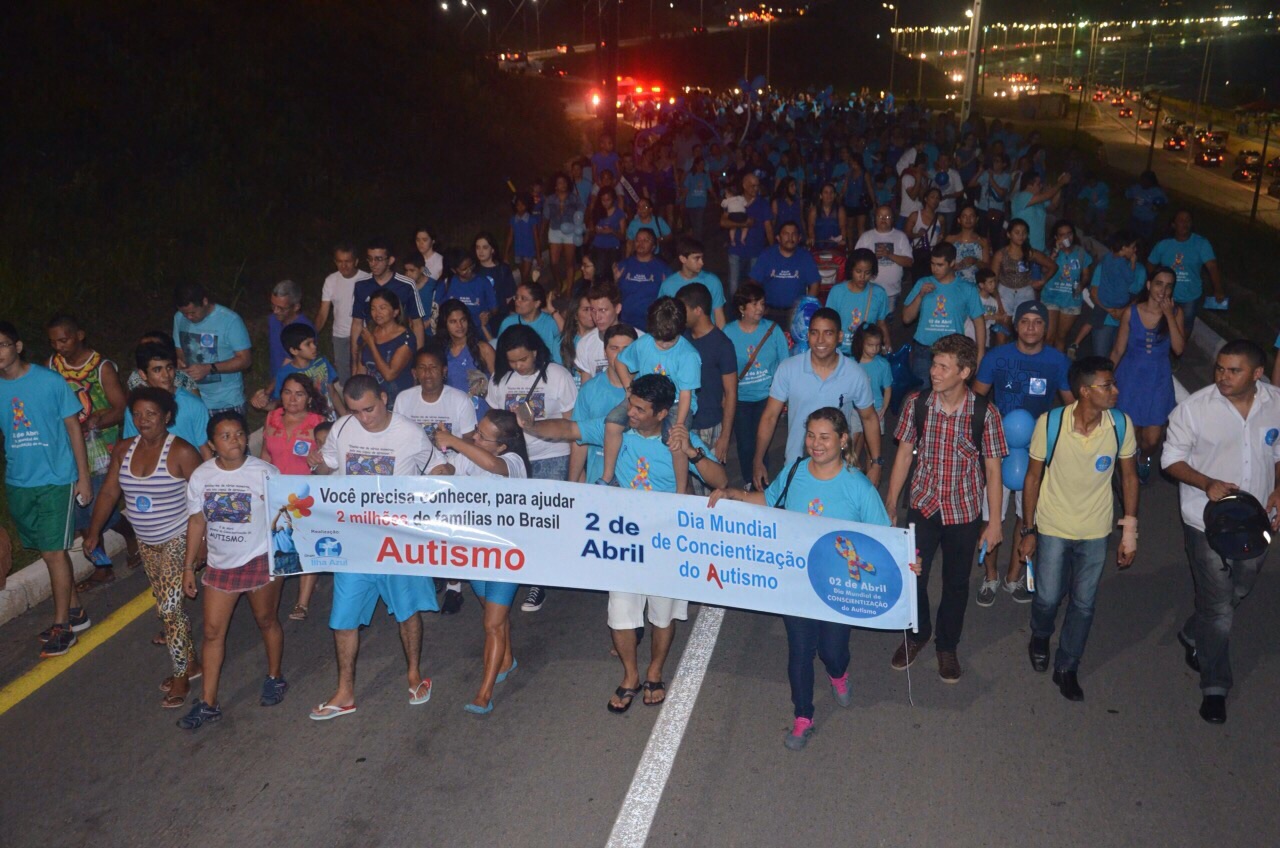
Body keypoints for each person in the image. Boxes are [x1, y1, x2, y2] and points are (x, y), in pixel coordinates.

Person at [709, 408, 893, 750]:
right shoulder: (795, 470)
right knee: (799, 652)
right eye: (811, 435)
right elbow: (769, 499)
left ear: (842, 440)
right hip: (797, 582)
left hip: (839, 588)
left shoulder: (858, 486)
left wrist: (906, 563)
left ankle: (839, 674)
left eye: (824, 437)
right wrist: (734, 494)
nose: (815, 444)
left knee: (833, 650)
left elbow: (882, 538)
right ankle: (803, 715)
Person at [308, 375, 452, 720]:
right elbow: (328, 464)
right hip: (354, 541)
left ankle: (415, 674)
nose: (364, 418)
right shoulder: (342, 428)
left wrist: (446, 472)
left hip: (396, 542)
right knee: (343, 619)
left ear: (384, 399)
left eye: (369, 409)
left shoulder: (409, 432)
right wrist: (316, 467)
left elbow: (437, 467)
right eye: (356, 411)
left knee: (406, 611)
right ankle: (344, 692)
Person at [1162, 340, 1280, 725]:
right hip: (1205, 521)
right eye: (1219, 369)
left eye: (1234, 371)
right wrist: (1206, 481)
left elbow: (1277, 453)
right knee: (1218, 608)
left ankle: (1193, 632)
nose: (1222, 377)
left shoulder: (1275, 403)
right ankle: (1215, 686)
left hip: (1255, 518)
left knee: (1240, 587)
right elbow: (1171, 460)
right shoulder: (1194, 410)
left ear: (1257, 374)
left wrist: (1277, 490)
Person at [884, 334, 1007, 682]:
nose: (933, 371)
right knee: (914, 575)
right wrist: (891, 503)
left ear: (964, 372)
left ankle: (946, 646)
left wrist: (994, 522)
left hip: (963, 513)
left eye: (942, 366)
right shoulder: (917, 404)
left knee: (956, 583)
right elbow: (905, 454)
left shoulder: (985, 413)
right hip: (923, 505)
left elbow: (994, 470)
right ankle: (918, 635)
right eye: (933, 364)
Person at [1021, 357, 1139, 701]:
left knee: (1084, 604)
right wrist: (1029, 530)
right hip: (1054, 524)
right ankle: (1040, 635)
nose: (1115, 391)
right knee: (1046, 597)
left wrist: (1129, 531)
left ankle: (1067, 666)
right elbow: (1032, 476)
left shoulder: (1119, 424)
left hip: (1096, 528)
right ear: (1084, 391)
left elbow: (1129, 476)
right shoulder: (1051, 423)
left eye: (1113, 384)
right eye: (1107, 386)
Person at [84, 387, 203, 707]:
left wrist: (202, 545)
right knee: (170, 606)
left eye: (151, 414)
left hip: (179, 539)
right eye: (136, 414)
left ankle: (181, 677)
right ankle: (191, 662)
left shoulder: (181, 452)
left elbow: (204, 500)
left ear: (167, 416)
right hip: (149, 545)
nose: (143, 420)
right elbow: (109, 492)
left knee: (169, 608)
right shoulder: (123, 449)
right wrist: (94, 530)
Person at [177, 411, 286, 729]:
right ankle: (208, 703)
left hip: (259, 559)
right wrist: (188, 567)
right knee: (212, 633)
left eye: (239, 433)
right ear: (212, 444)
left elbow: (285, 514)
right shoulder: (201, 476)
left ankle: (275, 677)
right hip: (220, 565)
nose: (235, 440)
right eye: (225, 436)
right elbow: (197, 521)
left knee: (266, 621)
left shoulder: (265, 472)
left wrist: (282, 559)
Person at [0, 321, 94, 658]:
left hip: (56, 478)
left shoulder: (49, 382)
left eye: (3, 345)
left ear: (18, 346)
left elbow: (73, 429)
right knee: (46, 549)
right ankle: (76, 613)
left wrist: (82, 477)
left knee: (55, 551)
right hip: (19, 482)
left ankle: (62, 627)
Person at [972, 301, 1074, 606]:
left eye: (1037, 322)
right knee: (992, 515)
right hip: (997, 447)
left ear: (1046, 327)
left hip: (1036, 450)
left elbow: (1072, 406)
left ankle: (1013, 577)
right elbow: (976, 399)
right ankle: (990, 576)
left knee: (1026, 516)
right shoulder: (996, 357)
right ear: (1016, 325)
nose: (1031, 327)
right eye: (1025, 321)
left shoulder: (1057, 362)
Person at [432, 411, 529, 713]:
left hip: (505, 554)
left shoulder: (512, 463)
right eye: (476, 431)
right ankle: (508, 659)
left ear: (502, 446)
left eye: (482, 436)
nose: (474, 437)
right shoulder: (469, 454)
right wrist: (443, 467)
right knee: (494, 616)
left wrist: (453, 441)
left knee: (491, 624)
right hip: (473, 553)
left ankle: (484, 694)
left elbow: (490, 465)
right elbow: (452, 471)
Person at [487, 326, 578, 613]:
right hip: (516, 459)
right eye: (512, 361)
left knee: (543, 520)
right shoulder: (501, 379)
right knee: (520, 519)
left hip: (552, 454)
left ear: (536, 352)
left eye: (523, 360)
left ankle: (539, 581)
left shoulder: (557, 376)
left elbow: (571, 422)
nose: (518, 366)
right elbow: (493, 417)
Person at [753, 308, 882, 491]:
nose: (820, 340)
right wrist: (758, 460)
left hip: (838, 470)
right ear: (808, 335)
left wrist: (876, 463)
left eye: (828, 333)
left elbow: (869, 418)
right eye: (814, 333)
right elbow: (770, 416)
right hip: (796, 468)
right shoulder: (788, 369)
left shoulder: (855, 374)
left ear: (839, 336)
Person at [392, 344, 479, 616]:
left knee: (449, 532)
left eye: (433, 367)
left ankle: (455, 588)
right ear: (415, 373)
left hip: (449, 473)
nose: (428, 373)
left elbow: (468, 441)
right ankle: (433, 575)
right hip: (416, 475)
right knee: (422, 532)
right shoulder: (405, 399)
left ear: (443, 371)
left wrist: (447, 465)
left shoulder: (459, 400)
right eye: (422, 368)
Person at [46, 314, 132, 583]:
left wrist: (96, 420)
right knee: (82, 508)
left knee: (95, 506)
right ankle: (103, 565)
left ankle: (127, 537)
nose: (59, 346)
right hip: (67, 447)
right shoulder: (51, 366)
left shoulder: (101, 367)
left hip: (99, 449)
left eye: (64, 339)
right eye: (54, 342)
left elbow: (121, 408)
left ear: (80, 335)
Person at [600, 297, 701, 486]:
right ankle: (607, 475)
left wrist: (679, 424)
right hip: (643, 397)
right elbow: (620, 362)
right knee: (612, 423)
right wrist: (629, 389)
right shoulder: (644, 342)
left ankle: (681, 489)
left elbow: (686, 394)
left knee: (676, 441)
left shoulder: (688, 355)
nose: (663, 345)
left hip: (676, 402)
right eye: (659, 339)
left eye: (669, 341)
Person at [1110, 267, 1185, 483]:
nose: (1163, 289)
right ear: (1149, 285)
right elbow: (1117, 350)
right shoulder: (1131, 312)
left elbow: (1179, 349)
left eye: (1169, 286)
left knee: (1152, 439)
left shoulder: (1175, 313)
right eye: (1159, 283)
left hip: (1158, 380)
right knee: (1130, 435)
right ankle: (1128, 473)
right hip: (1131, 378)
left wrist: (1169, 315)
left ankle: (1144, 458)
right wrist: (1105, 378)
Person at [724, 283, 790, 487]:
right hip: (741, 398)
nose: (760, 308)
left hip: (767, 398)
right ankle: (747, 479)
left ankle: (761, 481)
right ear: (742, 308)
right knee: (745, 444)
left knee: (762, 442)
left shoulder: (773, 330)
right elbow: (724, 368)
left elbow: (784, 363)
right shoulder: (729, 332)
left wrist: (784, 395)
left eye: (761, 303)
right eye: (754, 304)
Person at [903, 243, 989, 386]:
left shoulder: (967, 288)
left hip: (953, 352)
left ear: (952, 263)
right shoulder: (923, 283)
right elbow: (906, 318)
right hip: (924, 349)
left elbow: (979, 322)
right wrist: (920, 295)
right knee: (923, 394)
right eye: (932, 264)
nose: (934, 269)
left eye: (940, 265)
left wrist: (980, 354)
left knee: (951, 392)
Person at [677, 283, 737, 488]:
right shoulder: (682, 339)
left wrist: (724, 437)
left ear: (698, 310)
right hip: (682, 423)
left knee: (708, 488)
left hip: (709, 427)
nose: (678, 314)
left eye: (682, 309)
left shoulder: (722, 344)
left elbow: (730, 393)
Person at [173, 282, 252, 415]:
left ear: (204, 301)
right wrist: (181, 362)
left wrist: (209, 368)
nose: (189, 317)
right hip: (193, 398)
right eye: (184, 313)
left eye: (193, 312)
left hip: (226, 400)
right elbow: (179, 347)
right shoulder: (179, 317)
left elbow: (245, 360)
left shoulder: (230, 320)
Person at [124, 341, 212, 461]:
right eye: (157, 370)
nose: (166, 375)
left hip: (189, 473)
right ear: (143, 374)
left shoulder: (194, 404)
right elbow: (131, 447)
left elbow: (205, 450)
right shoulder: (136, 409)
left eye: (169, 368)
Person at [571, 324, 637, 485]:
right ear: (604, 352)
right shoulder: (589, 390)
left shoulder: (647, 389)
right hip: (599, 482)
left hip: (637, 484)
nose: (621, 355)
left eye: (627, 349)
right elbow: (579, 440)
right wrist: (571, 486)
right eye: (614, 348)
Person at [1147, 210, 1223, 340]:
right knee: (1161, 324)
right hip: (1166, 294)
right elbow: (1150, 264)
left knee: (1186, 325)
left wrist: (1218, 289)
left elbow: (1212, 267)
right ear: (1173, 225)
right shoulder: (1164, 245)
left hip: (1190, 296)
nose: (1185, 223)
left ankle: (1179, 348)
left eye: (1188, 220)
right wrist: (1153, 284)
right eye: (1181, 220)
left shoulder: (1201, 244)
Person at [350, 239, 425, 366]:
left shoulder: (406, 285)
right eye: (370, 259)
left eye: (378, 259)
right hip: (371, 346)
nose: (373, 264)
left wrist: (418, 362)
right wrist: (354, 360)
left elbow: (417, 324)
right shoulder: (361, 285)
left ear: (390, 260)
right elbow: (357, 324)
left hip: (399, 348)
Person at [251, 323, 344, 418]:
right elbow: (282, 404)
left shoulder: (321, 362)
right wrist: (263, 404)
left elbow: (332, 392)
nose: (314, 347)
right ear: (294, 351)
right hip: (306, 425)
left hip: (328, 417)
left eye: (314, 342)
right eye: (308, 344)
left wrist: (345, 416)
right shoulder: (284, 374)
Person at [314, 243, 369, 387]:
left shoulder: (366, 279)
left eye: (348, 261)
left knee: (362, 372)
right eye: (340, 261)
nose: (344, 266)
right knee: (343, 373)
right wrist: (312, 334)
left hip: (363, 334)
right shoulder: (331, 280)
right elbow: (323, 311)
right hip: (339, 335)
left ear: (356, 261)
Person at [748, 221, 821, 326]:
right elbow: (753, 281)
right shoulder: (767, 255)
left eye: (794, 234)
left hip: (796, 313)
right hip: (769, 312)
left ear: (799, 238)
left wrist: (805, 307)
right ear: (778, 237)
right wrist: (759, 305)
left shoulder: (805, 257)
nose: (790, 238)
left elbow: (815, 284)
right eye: (786, 234)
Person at [355, 289, 416, 407]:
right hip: (373, 401)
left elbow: (389, 375)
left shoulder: (406, 338)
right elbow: (360, 369)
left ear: (395, 312)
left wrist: (372, 344)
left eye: (382, 308)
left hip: (398, 402)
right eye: (373, 308)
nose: (377, 313)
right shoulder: (368, 332)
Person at [825, 248, 891, 354]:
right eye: (858, 271)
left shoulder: (879, 293)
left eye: (867, 273)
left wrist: (887, 345)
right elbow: (828, 323)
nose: (862, 277)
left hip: (866, 354)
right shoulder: (837, 292)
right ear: (851, 270)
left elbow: (881, 323)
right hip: (841, 353)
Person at [439, 298, 496, 419]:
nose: (459, 326)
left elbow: (498, 386)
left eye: (463, 320)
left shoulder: (483, 349)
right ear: (445, 324)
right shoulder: (441, 352)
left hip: (482, 417)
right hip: (454, 416)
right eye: (453, 321)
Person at [1041, 220, 1094, 350]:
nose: (1066, 237)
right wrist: (1054, 253)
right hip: (1051, 296)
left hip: (1071, 299)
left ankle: (1059, 366)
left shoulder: (1081, 253)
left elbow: (1086, 274)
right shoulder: (1050, 253)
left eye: (1069, 234)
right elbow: (1044, 271)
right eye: (1062, 235)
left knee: (1061, 337)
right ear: (1056, 237)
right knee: (1048, 337)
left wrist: (1082, 284)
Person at [990, 218, 1054, 318]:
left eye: (1024, 233)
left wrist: (1043, 281)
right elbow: (992, 281)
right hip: (1004, 292)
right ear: (1009, 234)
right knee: (1003, 325)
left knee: (1024, 324)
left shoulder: (1030, 253)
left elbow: (1053, 266)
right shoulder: (1000, 255)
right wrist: (998, 303)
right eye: (1017, 232)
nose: (1021, 236)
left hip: (1025, 292)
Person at [658, 237, 727, 328]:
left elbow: (719, 316)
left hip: (706, 335)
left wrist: (721, 339)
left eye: (702, 258)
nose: (701, 262)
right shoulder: (668, 285)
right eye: (696, 258)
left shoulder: (712, 281)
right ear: (683, 259)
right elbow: (663, 316)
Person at [853, 205, 912, 311]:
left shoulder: (901, 236)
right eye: (880, 216)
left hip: (892, 292)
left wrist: (889, 255)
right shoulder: (866, 237)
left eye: (887, 217)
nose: (883, 219)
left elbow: (909, 262)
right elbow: (855, 261)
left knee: (888, 323)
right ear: (874, 219)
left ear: (893, 219)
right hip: (869, 290)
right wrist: (872, 257)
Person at [492, 281, 564, 365]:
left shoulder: (551, 322)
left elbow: (567, 338)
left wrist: (552, 311)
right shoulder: (508, 322)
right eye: (516, 297)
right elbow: (501, 351)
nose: (517, 302)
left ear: (537, 303)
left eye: (523, 298)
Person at [723, 173, 771, 297]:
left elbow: (768, 227)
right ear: (744, 185)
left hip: (756, 250)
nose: (755, 189)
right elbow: (723, 222)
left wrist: (773, 248)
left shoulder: (763, 204)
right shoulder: (735, 201)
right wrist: (744, 224)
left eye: (757, 186)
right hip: (736, 250)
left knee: (754, 287)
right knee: (734, 286)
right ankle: (734, 313)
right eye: (752, 186)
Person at [613, 228, 667, 330]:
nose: (640, 243)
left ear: (654, 246)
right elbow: (613, 294)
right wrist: (615, 280)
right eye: (638, 240)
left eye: (646, 240)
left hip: (651, 325)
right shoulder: (623, 265)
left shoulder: (662, 268)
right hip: (625, 323)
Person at [266, 279, 315, 386]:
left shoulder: (303, 328)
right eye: (273, 306)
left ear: (296, 307)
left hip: (295, 385)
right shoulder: (273, 320)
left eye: (281, 308)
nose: (275, 311)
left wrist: (268, 391)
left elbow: (289, 365)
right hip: (276, 380)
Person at [434, 250, 498, 332]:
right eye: (464, 269)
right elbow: (438, 308)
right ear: (454, 270)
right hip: (455, 333)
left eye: (471, 266)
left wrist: (487, 315)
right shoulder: (447, 283)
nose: (469, 270)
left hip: (478, 331)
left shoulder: (483, 282)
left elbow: (494, 308)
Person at [1010, 172, 1069, 254]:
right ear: (1030, 185)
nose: (1041, 186)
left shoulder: (1039, 200)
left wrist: (1060, 186)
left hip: (1040, 248)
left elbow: (1053, 206)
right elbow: (1047, 195)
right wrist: (1060, 183)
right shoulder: (1021, 196)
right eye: (1038, 184)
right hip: (1023, 248)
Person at [543, 173, 584, 293]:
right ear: (555, 186)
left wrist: (582, 229)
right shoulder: (550, 199)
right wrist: (541, 233)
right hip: (554, 230)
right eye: (560, 183)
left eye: (565, 182)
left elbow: (581, 213)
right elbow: (546, 217)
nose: (563, 185)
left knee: (569, 262)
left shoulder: (574, 198)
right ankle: (558, 282)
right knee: (554, 262)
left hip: (570, 232)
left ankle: (569, 289)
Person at [473, 232, 519, 336]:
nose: (480, 251)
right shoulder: (473, 270)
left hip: (498, 317)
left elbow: (509, 296)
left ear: (492, 250)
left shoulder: (502, 269)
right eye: (478, 247)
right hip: (478, 318)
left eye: (485, 247)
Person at [588, 187, 628, 274]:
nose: (605, 203)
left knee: (612, 273)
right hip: (598, 247)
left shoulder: (619, 214)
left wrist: (612, 231)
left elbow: (623, 236)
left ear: (613, 199)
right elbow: (590, 232)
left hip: (613, 248)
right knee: (598, 272)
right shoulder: (597, 212)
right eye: (603, 200)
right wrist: (595, 231)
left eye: (608, 200)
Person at [505, 192, 540, 288]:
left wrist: (538, 255)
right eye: (518, 205)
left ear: (527, 206)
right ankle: (528, 290)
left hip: (529, 251)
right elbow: (510, 236)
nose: (520, 207)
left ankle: (523, 292)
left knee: (525, 276)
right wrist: (506, 253)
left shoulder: (531, 219)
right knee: (523, 275)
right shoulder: (513, 220)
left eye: (523, 205)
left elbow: (536, 238)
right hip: (518, 250)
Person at [1124, 170, 1167, 244]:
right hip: (1135, 218)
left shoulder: (1157, 192)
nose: (1142, 183)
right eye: (1142, 180)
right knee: (1130, 238)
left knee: (1143, 240)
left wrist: (1158, 207)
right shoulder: (1137, 188)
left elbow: (1164, 204)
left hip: (1148, 221)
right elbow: (1127, 194)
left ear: (1151, 182)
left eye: (1145, 181)